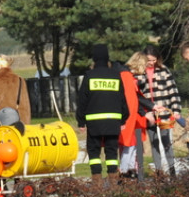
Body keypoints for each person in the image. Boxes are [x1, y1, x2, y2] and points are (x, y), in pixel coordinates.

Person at [76, 44, 129, 183]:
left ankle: (97, 183)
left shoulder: (89, 75)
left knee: (94, 152)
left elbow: (82, 100)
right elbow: (122, 98)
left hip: (94, 123)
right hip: (113, 121)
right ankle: (113, 182)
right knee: (112, 152)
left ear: (94, 59)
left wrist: (81, 121)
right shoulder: (115, 75)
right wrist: (124, 118)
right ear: (107, 58)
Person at [132, 46, 181, 176]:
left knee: (167, 143)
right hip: (148, 114)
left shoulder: (164, 70)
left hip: (164, 112)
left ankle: (172, 171)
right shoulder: (137, 72)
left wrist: (175, 110)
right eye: (149, 60)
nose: (151, 63)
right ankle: (159, 172)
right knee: (154, 143)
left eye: (154, 60)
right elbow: (135, 95)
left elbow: (173, 91)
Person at [116, 53, 153, 181]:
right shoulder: (126, 76)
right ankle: (125, 171)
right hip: (128, 117)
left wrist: (150, 108)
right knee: (128, 146)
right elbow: (131, 99)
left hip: (130, 116)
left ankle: (130, 170)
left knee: (131, 145)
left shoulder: (126, 75)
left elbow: (136, 98)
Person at [0, 54, 30, 127]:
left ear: (0, 65)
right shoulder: (20, 80)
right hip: (17, 124)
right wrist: (24, 125)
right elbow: (25, 107)